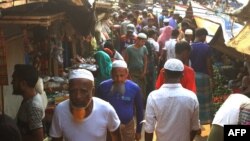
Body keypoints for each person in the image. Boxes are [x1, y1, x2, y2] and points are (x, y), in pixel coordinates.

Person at [49, 69, 121, 141]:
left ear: (92, 91)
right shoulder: (60, 110)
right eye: (73, 91)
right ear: (69, 91)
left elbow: (116, 137)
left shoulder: (106, 109)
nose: (78, 96)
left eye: (83, 91)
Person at [144, 59, 200, 141]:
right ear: (182, 75)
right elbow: (195, 127)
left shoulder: (153, 97)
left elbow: (149, 129)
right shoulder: (191, 97)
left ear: (163, 74)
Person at [97, 60, 144, 141]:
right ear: (111, 74)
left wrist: (138, 131)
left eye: (122, 75)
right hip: (108, 129)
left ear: (127, 74)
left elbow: (140, 110)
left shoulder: (134, 88)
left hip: (128, 128)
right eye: (116, 76)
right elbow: (96, 109)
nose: (119, 79)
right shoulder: (103, 87)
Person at [12, 64, 44, 141]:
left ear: (23, 84)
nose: (11, 82)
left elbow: (38, 139)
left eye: (14, 80)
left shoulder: (33, 106)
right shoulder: (28, 100)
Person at [190, 28, 213, 125]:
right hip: (204, 77)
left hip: (193, 75)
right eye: (205, 36)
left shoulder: (190, 47)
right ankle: (206, 121)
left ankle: (196, 123)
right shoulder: (206, 47)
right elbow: (208, 65)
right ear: (202, 35)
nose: (205, 38)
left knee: (196, 100)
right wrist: (212, 77)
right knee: (206, 101)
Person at [124, 32, 148, 105]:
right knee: (133, 88)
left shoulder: (144, 48)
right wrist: (127, 74)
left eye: (144, 41)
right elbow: (126, 62)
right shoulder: (129, 49)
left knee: (142, 90)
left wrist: (144, 72)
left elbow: (145, 61)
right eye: (142, 41)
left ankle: (140, 104)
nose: (143, 43)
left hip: (140, 72)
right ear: (137, 40)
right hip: (132, 72)